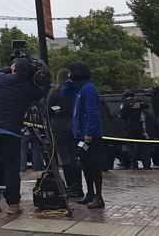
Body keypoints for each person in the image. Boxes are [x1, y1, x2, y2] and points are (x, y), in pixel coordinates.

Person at [0, 58, 44, 215]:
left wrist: (6, 69)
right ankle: (13, 203)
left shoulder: (0, 79)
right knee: (11, 167)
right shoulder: (29, 87)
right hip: (11, 130)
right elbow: (42, 91)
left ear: (14, 69)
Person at [64, 61, 105, 209]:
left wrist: (89, 132)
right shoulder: (79, 89)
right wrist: (69, 81)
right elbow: (64, 92)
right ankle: (90, 193)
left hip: (89, 135)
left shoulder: (88, 89)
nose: (68, 75)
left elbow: (92, 112)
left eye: (70, 72)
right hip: (80, 134)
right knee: (86, 165)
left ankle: (98, 196)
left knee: (94, 166)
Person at [48, 68, 83, 198]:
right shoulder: (75, 91)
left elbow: (49, 109)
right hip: (73, 127)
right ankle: (78, 186)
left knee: (66, 158)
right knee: (75, 157)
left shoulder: (55, 92)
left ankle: (71, 186)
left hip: (59, 127)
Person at [118, 90, 151, 170]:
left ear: (125, 97)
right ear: (133, 96)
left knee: (131, 149)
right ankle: (146, 165)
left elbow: (120, 115)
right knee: (143, 147)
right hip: (139, 129)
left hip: (129, 129)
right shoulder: (137, 103)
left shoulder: (124, 104)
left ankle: (134, 165)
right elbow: (147, 106)